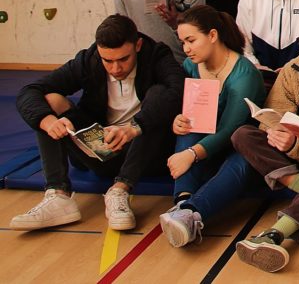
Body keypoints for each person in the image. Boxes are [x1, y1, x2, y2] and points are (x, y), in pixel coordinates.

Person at [162, 19, 299, 254]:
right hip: (285, 157)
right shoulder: (295, 68)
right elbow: (273, 111)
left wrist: (295, 144)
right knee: (243, 134)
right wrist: (274, 132)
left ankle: (274, 234)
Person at [12, 15, 184, 231]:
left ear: (138, 45)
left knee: (159, 94)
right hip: (100, 150)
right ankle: (58, 195)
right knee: (50, 101)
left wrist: (134, 128)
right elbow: (29, 91)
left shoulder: (157, 55)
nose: (115, 68)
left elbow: (179, 91)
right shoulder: (89, 60)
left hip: (144, 153)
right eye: (108, 61)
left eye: (123, 59)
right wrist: (47, 122)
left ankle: (120, 191)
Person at [168, 6, 266, 213]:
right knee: (188, 125)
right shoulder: (190, 65)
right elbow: (183, 108)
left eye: (191, 41)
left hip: (238, 147)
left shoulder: (244, 74)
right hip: (205, 149)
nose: (186, 49)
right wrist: (177, 120)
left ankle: (192, 212)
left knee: (242, 160)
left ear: (212, 35)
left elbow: (230, 128)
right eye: (183, 42)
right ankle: (182, 201)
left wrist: (191, 154)